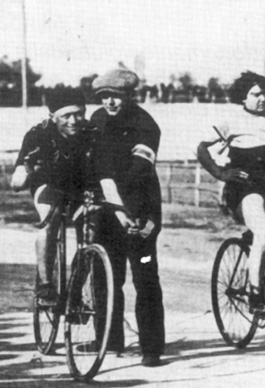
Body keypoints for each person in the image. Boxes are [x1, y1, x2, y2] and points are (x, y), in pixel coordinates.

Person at [197, 71, 265, 316]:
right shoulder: (231, 120)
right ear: (243, 96)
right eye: (255, 94)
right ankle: (255, 293)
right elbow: (202, 148)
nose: (262, 99)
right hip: (245, 188)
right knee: (263, 230)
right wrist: (220, 173)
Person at [90, 68, 165, 367]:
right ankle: (108, 338)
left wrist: (132, 216)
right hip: (110, 211)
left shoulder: (146, 125)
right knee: (106, 275)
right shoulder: (95, 122)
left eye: (116, 97)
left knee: (145, 274)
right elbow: (95, 166)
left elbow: (139, 172)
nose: (110, 102)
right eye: (104, 97)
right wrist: (112, 208)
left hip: (142, 215)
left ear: (129, 96)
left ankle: (151, 347)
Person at [11, 88, 94, 305]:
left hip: (79, 185)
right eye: (66, 115)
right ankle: (46, 285)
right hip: (48, 183)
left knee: (91, 233)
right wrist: (22, 175)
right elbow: (21, 170)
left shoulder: (92, 131)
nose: (74, 121)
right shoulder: (39, 134)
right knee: (50, 219)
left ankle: (75, 293)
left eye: (78, 113)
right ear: (52, 116)